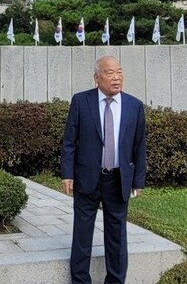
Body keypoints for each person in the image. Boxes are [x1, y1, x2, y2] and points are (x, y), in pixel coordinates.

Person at [61, 56, 147, 284]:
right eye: (109, 73)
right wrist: (67, 174)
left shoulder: (134, 106)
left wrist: (138, 180)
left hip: (118, 179)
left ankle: (116, 280)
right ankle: (80, 280)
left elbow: (139, 146)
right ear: (96, 77)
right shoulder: (81, 101)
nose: (116, 78)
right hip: (87, 177)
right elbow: (70, 141)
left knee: (117, 235)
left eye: (119, 72)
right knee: (82, 234)